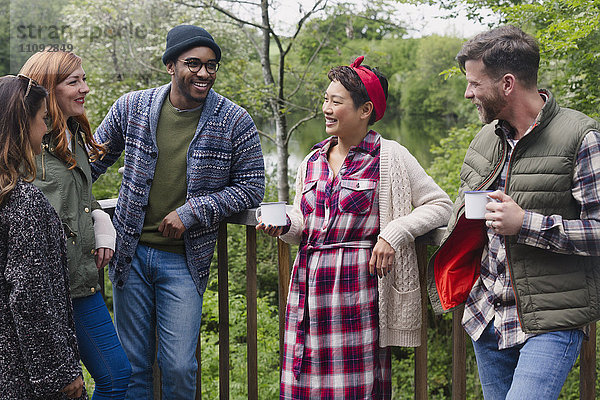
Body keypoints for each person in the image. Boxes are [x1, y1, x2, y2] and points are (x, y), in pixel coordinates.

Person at [258, 56, 452, 398]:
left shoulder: (390, 156)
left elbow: (441, 205)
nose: (326, 108)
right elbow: (305, 223)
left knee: (356, 390)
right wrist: (284, 224)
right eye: (326, 99)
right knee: (303, 386)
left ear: (365, 110)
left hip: (356, 295)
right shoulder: (312, 160)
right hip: (308, 292)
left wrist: (394, 234)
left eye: (336, 102)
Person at [90, 25, 265, 399]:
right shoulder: (131, 107)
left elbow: (252, 187)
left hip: (184, 262)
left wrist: (195, 210)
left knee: (179, 367)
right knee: (134, 366)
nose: (204, 73)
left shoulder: (235, 120)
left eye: (211, 65)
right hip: (130, 255)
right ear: (171, 65)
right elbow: (92, 161)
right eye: (194, 64)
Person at [428, 25, 600, 400]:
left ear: (507, 83)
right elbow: (463, 215)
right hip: (487, 316)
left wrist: (527, 225)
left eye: (475, 83)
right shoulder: (484, 140)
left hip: (552, 322)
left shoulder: (581, 137)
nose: (467, 93)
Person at [20, 51, 132, 399]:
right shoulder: (26, 147)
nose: (84, 88)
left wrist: (99, 217)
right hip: (44, 292)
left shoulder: (72, 133)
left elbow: (75, 197)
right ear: (47, 89)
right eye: (74, 82)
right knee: (61, 388)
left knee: (117, 374)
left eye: (84, 79)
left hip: (81, 283)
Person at [0, 74, 86, 399]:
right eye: (42, 119)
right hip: (24, 377)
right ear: (22, 126)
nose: (45, 129)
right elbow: (29, 296)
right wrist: (60, 373)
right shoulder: (24, 202)